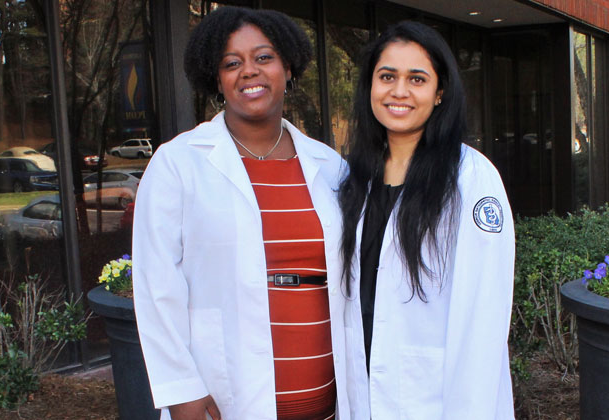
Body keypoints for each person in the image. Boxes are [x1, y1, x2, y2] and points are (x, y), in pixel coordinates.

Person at [133, 6, 356, 420]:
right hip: (225, 398)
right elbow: (155, 285)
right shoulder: (178, 163)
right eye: (231, 63)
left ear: (288, 68)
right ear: (217, 79)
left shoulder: (329, 167)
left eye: (264, 57)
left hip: (325, 395)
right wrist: (180, 391)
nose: (249, 71)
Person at [339, 21, 516, 419]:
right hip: (362, 394)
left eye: (416, 79)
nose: (399, 91)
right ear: (370, 86)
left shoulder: (470, 177)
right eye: (387, 77)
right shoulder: (354, 177)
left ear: (439, 93)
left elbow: (482, 318)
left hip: (434, 402)